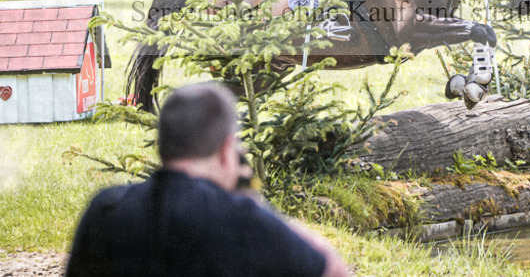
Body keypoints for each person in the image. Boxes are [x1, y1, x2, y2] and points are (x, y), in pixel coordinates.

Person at [66, 82, 349, 277]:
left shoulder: (104, 209)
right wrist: (252, 198)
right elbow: (332, 270)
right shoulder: (240, 217)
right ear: (228, 151)